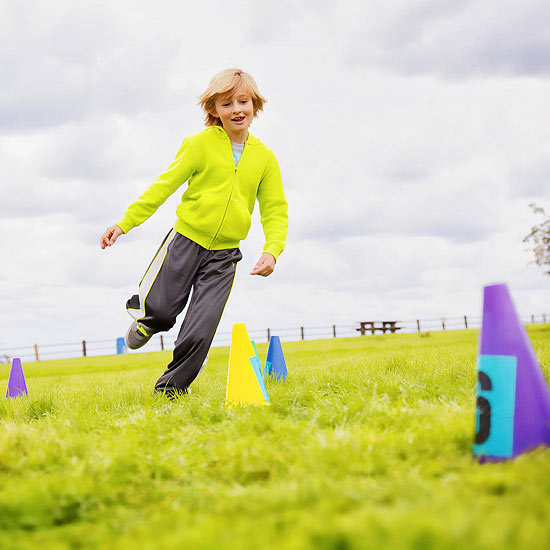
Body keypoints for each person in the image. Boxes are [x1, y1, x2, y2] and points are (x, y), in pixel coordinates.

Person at [100, 68, 288, 398]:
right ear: (214, 110)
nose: (237, 110)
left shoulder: (265, 158)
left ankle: (169, 391)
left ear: (255, 105)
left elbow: (275, 210)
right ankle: (148, 321)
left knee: (200, 331)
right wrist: (124, 223)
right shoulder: (198, 145)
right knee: (162, 308)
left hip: (225, 256)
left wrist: (272, 250)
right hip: (186, 240)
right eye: (227, 104)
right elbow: (163, 186)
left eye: (243, 101)